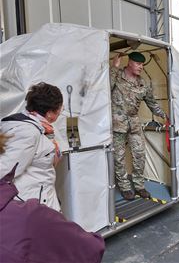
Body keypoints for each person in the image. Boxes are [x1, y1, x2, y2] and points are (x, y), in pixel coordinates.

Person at [0, 133, 105, 263]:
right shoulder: (28, 217)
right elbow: (90, 248)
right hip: (36, 197)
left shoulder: (23, 128)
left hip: (34, 196)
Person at [110, 51, 167, 201]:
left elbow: (152, 103)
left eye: (142, 64)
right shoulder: (116, 76)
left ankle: (139, 185)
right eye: (138, 63)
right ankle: (124, 186)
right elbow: (104, 90)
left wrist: (164, 115)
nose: (141, 67)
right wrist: (114, 67)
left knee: (139, 155)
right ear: (129, 62)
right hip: (117, 124)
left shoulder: (143, 84)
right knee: (119, 157)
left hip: (134, 124)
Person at [0, 82, 63, 211]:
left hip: (39, 200)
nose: (61, 111)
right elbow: (5, 171)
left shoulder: (40, 127)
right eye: (60, 108)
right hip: (31, 205)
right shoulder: (27, 132)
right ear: (51, 112)